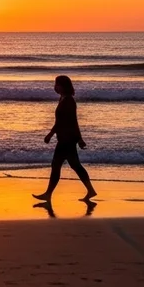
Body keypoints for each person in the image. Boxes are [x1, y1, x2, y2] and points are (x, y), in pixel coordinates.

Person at [33, 74, 98, 202]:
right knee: (75, 166)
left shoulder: (69, 101)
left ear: (63, 86)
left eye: (57, 84)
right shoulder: (62, 98)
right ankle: (90, 190)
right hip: (64, 139)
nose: (55, 86)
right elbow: (59, 121)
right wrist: (52, 134)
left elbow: (73, 121)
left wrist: (78, 138)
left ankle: (48, 194)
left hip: (67, 140)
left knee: (57, 165)